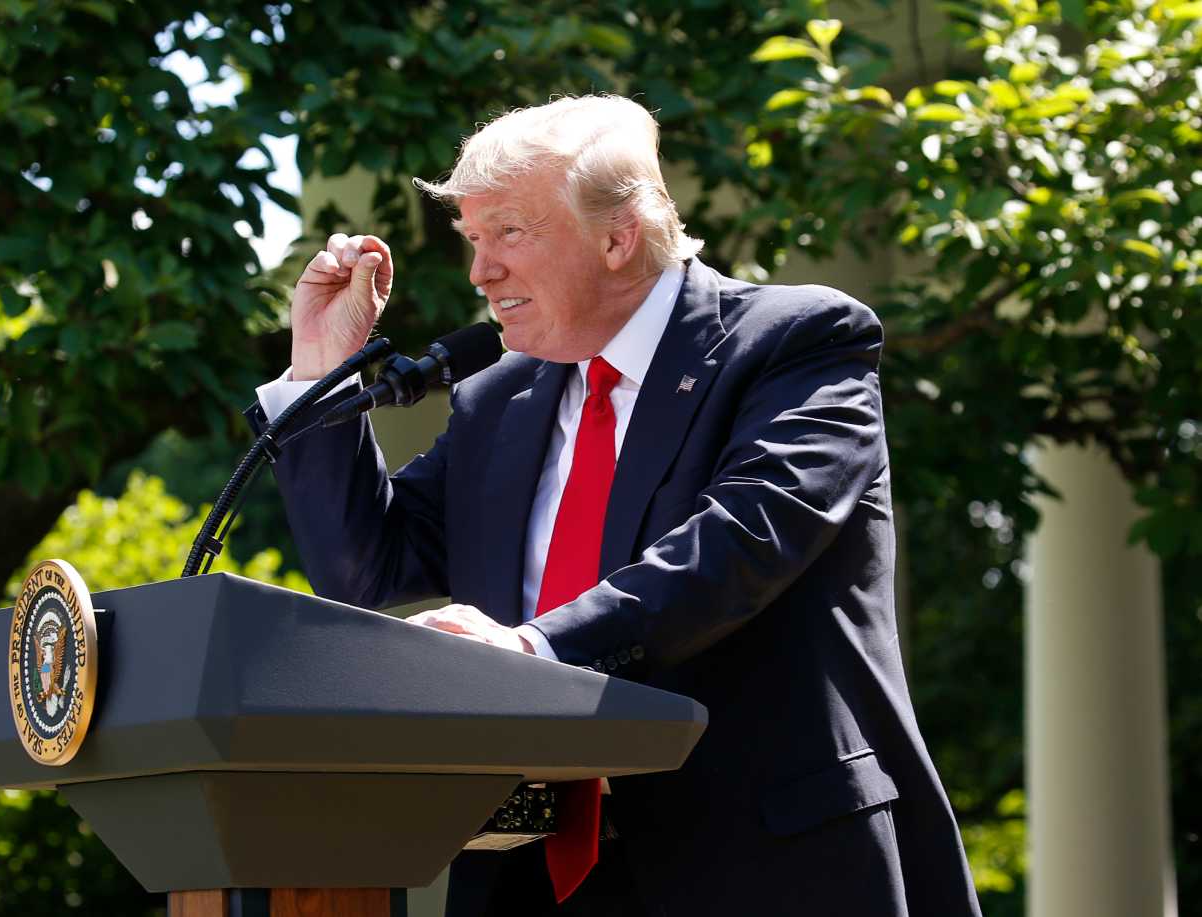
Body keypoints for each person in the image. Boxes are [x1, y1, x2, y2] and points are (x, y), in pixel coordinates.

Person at [249, 95, 980, 917]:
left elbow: (741, 543)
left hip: (762, 868)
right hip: (527, 879)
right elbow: (366, 570)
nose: (480, 272)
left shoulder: (797, 342)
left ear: (618, 236)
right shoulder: (497, 401)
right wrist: (319, 371)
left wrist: (530, 652)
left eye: (509, 233)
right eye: (474, 240)